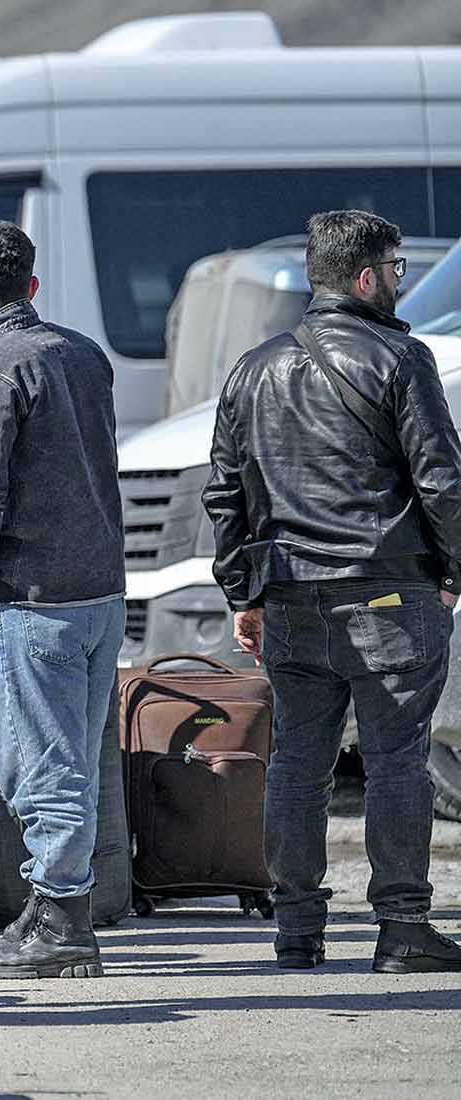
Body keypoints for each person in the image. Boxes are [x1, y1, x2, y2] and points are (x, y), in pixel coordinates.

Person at [206, 209, 461, 974]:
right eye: (395, 270)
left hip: (289, 599)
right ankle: (402, 928)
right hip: (387, 596)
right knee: (395, 764)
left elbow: (225, 495)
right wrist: (453, 573)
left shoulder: (253, 368)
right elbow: (443, 482)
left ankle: (296, 930)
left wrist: (243, 593)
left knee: (297, 767)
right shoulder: (399, 358)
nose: (398, 283)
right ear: (365, 276)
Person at [0, 222, 125, 980]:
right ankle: (59, 908)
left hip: (32, 593)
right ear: (31, 285)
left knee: (39, 767)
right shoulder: (83, 354)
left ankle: (59, 914)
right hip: (98, 587)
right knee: (73, 761)